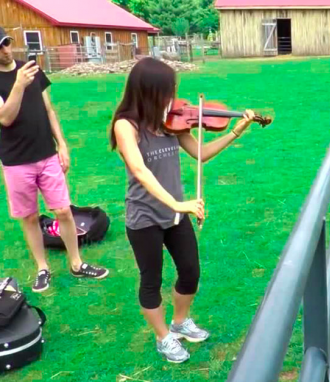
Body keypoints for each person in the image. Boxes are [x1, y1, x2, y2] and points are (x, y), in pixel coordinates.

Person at [109, 57, 258, 363]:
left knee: (190, 272)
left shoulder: (172, 123)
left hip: (176, 215)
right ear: (149, 91)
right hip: (145, 217)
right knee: (151, 280)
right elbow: (138, 169)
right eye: (169, 90)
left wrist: (235, 132)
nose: (174, 97)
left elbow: (201, 154)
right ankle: (164, 337)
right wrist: (178, 203)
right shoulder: (127, 125)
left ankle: (180, 321)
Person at [0, 27, 109, 293]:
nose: (5, 50)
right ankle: (43, 268)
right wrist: (17, 86)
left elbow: (48, 109)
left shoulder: (31, 69)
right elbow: (5, 118)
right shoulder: (16, 79)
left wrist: (62, 144)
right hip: (16, 161)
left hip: (46, 155)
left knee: (63, 210)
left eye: (6, 43)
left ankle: (76, 263)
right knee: (29, 217)